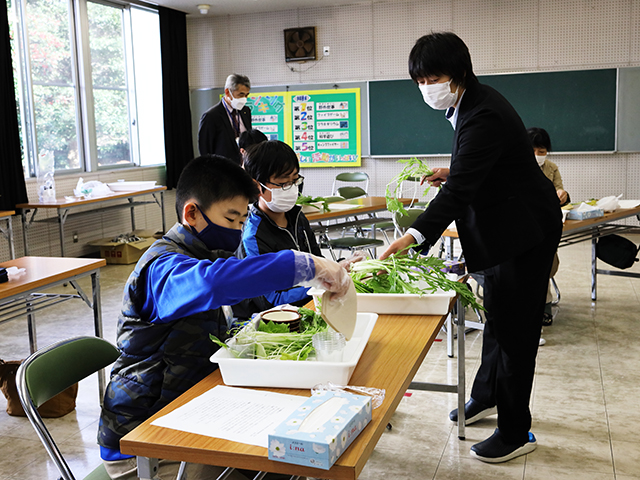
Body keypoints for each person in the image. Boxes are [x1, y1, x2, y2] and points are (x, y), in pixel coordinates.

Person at [97, 155, 351, 479]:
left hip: (191, 409)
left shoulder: (201, 252)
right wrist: (304, 265)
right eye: (231, 219)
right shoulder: (160, 269)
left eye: (244, 220)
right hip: (143, 441)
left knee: (290, 455)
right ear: (192, 213)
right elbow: (214, 282)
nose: (238, 230)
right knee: (276, 464)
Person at [381, 32, 562, 463]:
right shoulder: (469, 103)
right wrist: (455, 169)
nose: (427, 87)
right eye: (420, 80)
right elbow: (477, 169)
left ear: (460, 73)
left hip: (526, 233)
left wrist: (412, 236)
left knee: (517, 333)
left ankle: (515, 430)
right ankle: (487, 395)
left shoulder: (483, 114)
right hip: (505, 229)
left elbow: (460, 191)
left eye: (435, 77)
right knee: (497, 318)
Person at [235, 140, 322, 316]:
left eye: (295, 180)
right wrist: (317, 288)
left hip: (308, 307)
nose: (291, 189)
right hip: (274, 320)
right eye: (283, 183)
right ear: (257, 186)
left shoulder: (297, 216)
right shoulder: (253, 236)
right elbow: (269, 300)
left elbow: (318, 262)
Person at [528, 127, 570, 327]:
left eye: (542, 152)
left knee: (544, 264)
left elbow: (559, 194)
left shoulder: (551, 168)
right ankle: (536, 308)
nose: (537, 156)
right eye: (533, 151)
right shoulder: (513, 166)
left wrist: (563, 196)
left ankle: (543, 308)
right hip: (522, 228)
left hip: (545, 226)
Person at [198, 74, 252, 164]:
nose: (244, 99)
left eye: (246, 95)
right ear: (227, 92)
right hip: (222, 168)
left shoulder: (245, 111)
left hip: (244, 166)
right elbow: (205, 150)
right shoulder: (211, 116)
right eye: (241, 95)